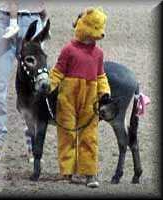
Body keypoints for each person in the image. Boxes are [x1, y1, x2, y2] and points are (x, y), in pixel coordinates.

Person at [49, 7, 111, 188]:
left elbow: (101, 76)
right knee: (66, 133)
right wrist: (49, 87)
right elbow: (58, 72)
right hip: (67, 98)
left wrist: (104, 92)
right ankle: (67, 171)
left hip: (90, 100)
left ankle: (89, 173)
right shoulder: (68, 49)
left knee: (89, 135)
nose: (95, 37)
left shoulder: (98, 53)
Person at [0, 0, 47, 160]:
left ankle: (34, 141)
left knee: (38, 87)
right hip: (0, 18)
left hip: (33, 17)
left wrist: (43, 14)